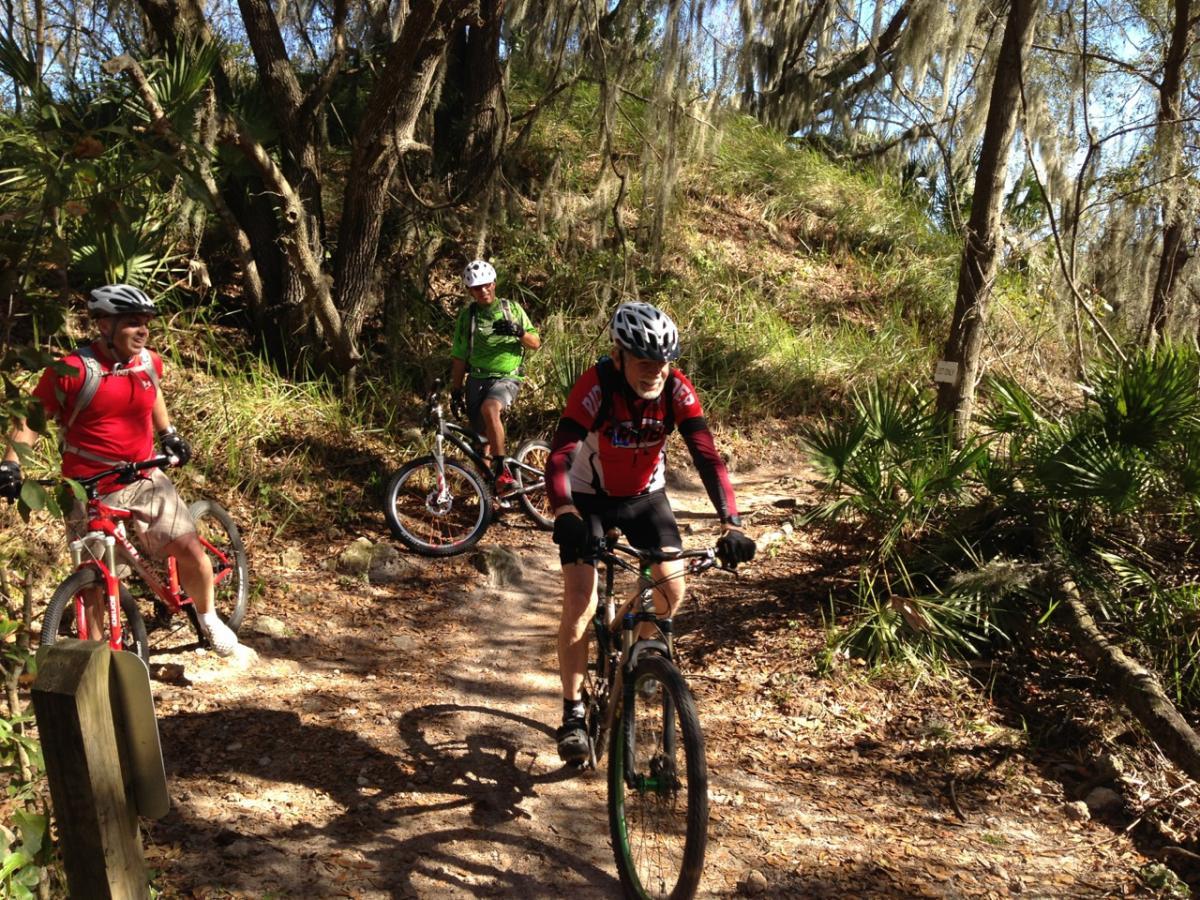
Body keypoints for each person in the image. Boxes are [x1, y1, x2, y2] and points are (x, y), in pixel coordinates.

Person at [544, 301, 756, 762]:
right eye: (644, 361)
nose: (655, 371)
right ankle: (574, 712)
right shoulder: (596, 385)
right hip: (588, 498)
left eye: (663, 362)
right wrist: (563, 512)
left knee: (671, 590)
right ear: (618, 356)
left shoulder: (676, 390)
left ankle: (637, 662)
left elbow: (707, 456)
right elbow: (560, 455)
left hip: (645, 496)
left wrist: (731, 522)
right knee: (580, 599)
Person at [0, 284, 239, 656]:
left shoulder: (147, 361)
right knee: (93, 580)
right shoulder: (73, 371)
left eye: (146, 323)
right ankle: (100, 658)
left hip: (144, 475)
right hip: (87, 486)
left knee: (189, 547)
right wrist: (10, 464)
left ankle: (209, 618)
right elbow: (31, 418)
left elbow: (153, 392)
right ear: (104, 326)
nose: (142, 331)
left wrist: (169, 434)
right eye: (132, 323)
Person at [449, 259, 541, 496]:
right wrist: (455, 390)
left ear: (494, 284)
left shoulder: (512, 309)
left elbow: (535, 343)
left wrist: (518, 331)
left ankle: (503, 471)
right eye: (477, 288)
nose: (483, 291)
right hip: (477, 379)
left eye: (487, 285)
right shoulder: (467, 317)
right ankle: (489, 495)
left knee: (491, 409)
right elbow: (459, 357)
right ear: (470, 291)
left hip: (507, 377)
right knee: (480, 443)